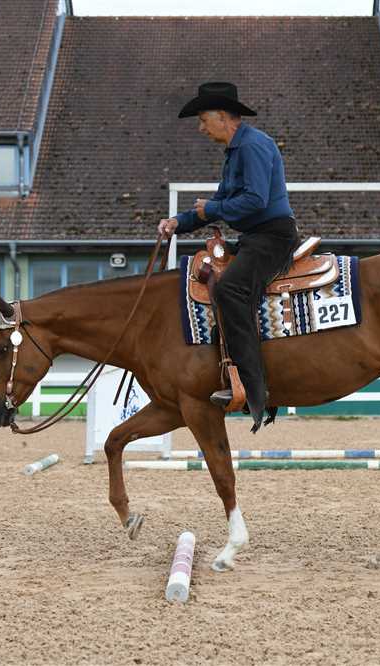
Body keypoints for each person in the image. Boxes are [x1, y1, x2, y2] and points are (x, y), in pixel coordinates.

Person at [158, 82, 298, 432]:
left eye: (203, 120)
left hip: (272, 238)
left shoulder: (252, 146)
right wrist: (178, 223)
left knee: (230, 289)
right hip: (256, 238)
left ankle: (252, 387)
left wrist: (212, 208)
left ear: (222, 116)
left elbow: (254, 200)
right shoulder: (237, 151)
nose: (201, 128)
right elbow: (217, 206)